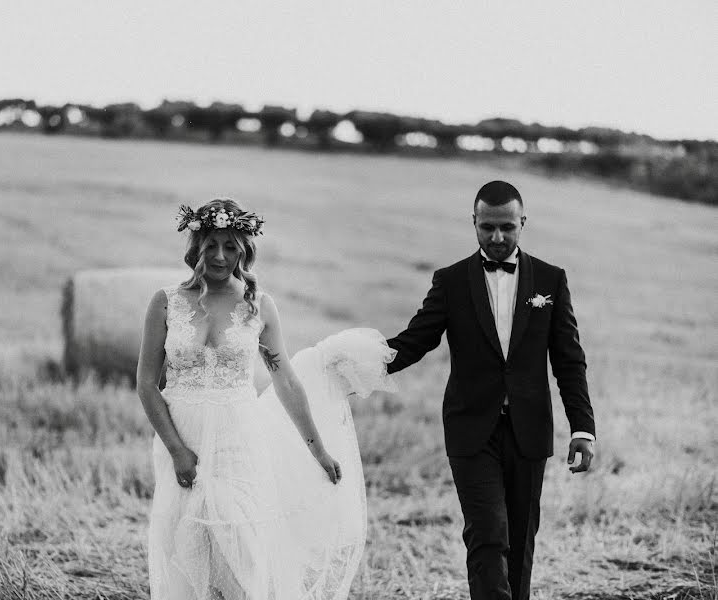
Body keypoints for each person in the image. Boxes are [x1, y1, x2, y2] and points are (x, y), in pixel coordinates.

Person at [137, 198, 395, 599]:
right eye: (211, 246)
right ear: (196, 247)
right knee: (183, 548)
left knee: (241, 553)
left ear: (244, 251)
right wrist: (177, 450)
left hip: (238, 442)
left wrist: (319, 450)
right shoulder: (166, 302)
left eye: (230, 247)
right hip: (179, 436)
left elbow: (287, 381)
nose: (220, 256)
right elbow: (146, 383)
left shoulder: (258, 305)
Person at [385, 181, 596, 600]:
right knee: (487, 535)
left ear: (522, 223)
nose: (497, 238)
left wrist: (582, 428)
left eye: (507, 228)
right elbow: (415, 341)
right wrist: (356, 365)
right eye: (487, 228)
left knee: (519, 542)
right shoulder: (451, 281)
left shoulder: (551, 280)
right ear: (474, 223)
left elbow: (569, 360)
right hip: (470, 430)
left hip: (529, 430)